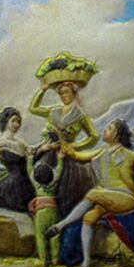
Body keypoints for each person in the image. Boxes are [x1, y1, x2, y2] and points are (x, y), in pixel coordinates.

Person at [44, 119, 134, 267]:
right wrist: (61, 143)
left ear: (116, 135)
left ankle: (60, 226)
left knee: (94, 193)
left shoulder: (128, 154)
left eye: (109, 129)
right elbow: (77, 155)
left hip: (127, 198)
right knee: (89, 218)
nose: (105, 130)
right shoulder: (102, 152)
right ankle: (86, 263)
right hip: (107, 197)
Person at [28, 81, 99, 215]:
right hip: (49, 152)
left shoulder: (80, 114)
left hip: (67, 155)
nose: (63, 96)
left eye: (66, 92)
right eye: (61, 93)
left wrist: (74, 146)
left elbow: (94, 136)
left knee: (67, 186)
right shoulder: (54, 110)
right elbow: (33, 108)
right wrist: (42, 90)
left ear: (73, 93)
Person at [0, 107, 35, 213]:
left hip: (25, 182)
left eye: (18, 121)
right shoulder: (3, 142)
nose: (16, 124)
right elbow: (19, 158)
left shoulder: (19, 142)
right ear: (6, 121)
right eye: (13, 121)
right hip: (15, 185)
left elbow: (29, 154)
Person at [25, 145, 64, 267]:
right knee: (55, 235)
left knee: (40, 236)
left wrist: (30, 157)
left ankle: (43, 260)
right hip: (54, 210)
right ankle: (55, 258)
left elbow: (29, 170)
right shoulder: (54, 183)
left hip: (41, 213)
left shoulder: (37, 185)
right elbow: (59, 170)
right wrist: (60, 158)